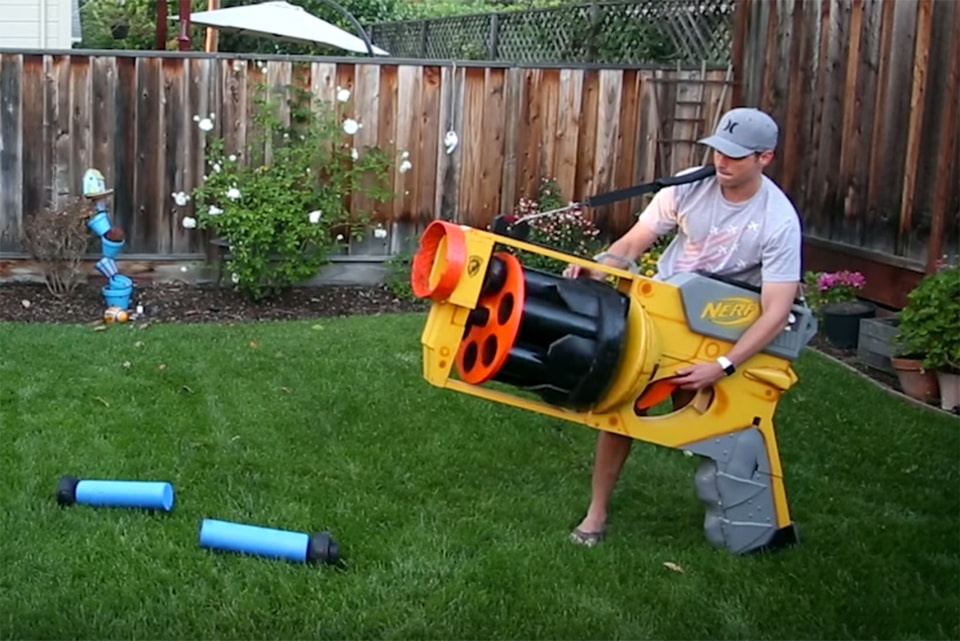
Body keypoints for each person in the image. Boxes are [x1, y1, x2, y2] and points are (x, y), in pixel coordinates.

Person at [563, 106, 803, 547]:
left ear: (764, 158)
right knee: (619, 403)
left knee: (719, 429)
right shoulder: (691, 185)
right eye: (717, 151)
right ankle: (596, 515)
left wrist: (725, 366)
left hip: (722, 331)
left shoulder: (779, 221)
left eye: (735, 156)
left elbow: (776, 311)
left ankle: (751, 522)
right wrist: (600, 267)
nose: (721, 162)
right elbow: (636, 240)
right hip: (665, 310)